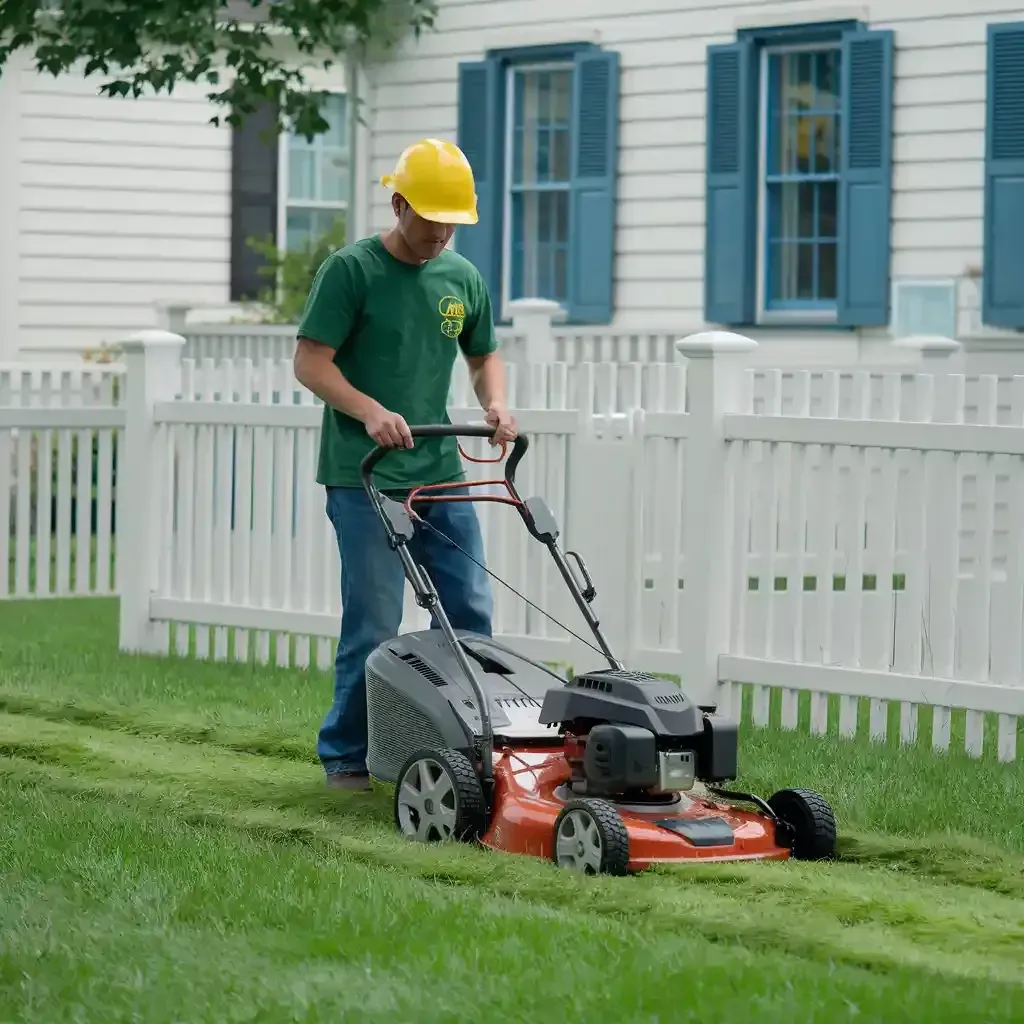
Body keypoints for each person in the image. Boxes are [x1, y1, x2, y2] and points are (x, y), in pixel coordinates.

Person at [292, 138, 518, 792]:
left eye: (453, 222)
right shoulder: (351, 271)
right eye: (430, 219)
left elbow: (483, 356)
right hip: (363, 474)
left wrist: (497, 403)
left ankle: (471, 751)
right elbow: (311, 362)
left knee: (470, 611)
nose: (441, 233)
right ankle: (347, 755)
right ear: (398, 204)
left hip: (440, 470)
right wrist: (367, 410)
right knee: (374, 621)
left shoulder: (460, 277)